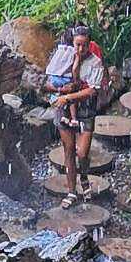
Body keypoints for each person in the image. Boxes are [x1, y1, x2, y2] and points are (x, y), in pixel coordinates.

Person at [45, 13, 107, 199]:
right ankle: (71, 192)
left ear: (90, 44)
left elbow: (92, 91)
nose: (80, 48)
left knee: (82, 153)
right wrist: (60, 88)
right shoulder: (63, 56)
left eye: (84, 45)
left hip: (86, 111)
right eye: (77, 44)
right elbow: (47, 83)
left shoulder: (95, 62)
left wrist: (69, 96)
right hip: (64, 110)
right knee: (69, 151)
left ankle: (85, 176)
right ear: (72, 42)